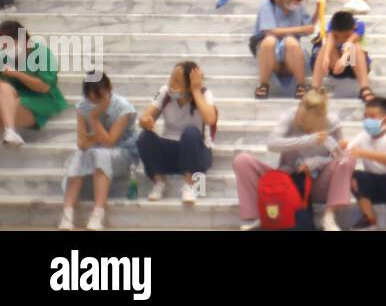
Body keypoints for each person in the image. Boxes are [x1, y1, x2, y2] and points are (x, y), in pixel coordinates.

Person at [234, 89, 356, 231]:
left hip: (317, 183)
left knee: (348, 159)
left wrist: (315, 162)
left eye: (306, 124)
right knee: (242, 160)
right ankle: (253, 217)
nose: (300, 122)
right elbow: (272, 144)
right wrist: (308, 140)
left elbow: (339, 157)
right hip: (286, 180)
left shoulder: (332, 123)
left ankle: (329, 217)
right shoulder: (289, 117)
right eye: (299, 117)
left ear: (320, 120)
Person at [58, 74, 138, 231]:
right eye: (90, 98)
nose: (94, 102)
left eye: (99, 97)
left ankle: (98, 213)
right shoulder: (82, 106)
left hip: (123, 152)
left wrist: (94, 119)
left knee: (101, 154)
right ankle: (67, 213)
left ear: (109, 90)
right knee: (80, 155)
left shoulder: (123, 108)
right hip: (93, 151)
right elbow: (81, 144)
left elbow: (110, 142)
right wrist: (99, 136)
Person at [137, 61, 216, 203]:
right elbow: (145, 117)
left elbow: (210, 119)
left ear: (189, 84)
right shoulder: (163, 92)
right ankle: (159, 182)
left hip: (197, 153)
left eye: (177, 81)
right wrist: (145, 122)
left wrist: (196, 91)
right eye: (171, 78)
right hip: (170, 151)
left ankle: (190, 185)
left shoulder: (205, 94)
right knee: (144, 137)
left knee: (191, 132)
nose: (171, 83)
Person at [0, 19, 68, 145]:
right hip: (11, 99)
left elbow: (45, 87)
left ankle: (10, 131)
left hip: (40, 99)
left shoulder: (40, 53)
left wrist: (16, 74)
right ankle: (10, 132)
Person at [347, 97, 386, 230]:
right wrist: (341, 147)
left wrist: (363, 153)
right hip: (372, 184)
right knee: (356, 175)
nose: (367, 120)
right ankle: (369, 219)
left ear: (385, 120)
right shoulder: (362, 136)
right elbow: (348, 150)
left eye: (372, 117)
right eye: (365, 116)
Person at [310, 10, 374, 101]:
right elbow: (329, 42)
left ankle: (365, 88)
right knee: (325, 48)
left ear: (354, 27)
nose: (340, 39)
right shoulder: (332, 26)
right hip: (335, 66)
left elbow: (350, 42)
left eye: (346, 35)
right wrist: (326, 57)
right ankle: (314, 88)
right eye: (337, 36)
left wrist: (343, 60)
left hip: (354, 66)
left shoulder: (359, 25)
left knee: (354, 46)